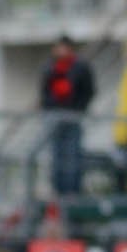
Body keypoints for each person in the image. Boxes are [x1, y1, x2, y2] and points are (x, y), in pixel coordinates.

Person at [38, 37, 96, 196]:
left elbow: (88, 91)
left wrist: (79, 109)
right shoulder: (50, 67)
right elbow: (44, 91)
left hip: (73, 117)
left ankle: (72, 191)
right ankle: (58, 191)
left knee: (72, 155)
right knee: (56, 156)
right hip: (54, 116)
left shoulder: (80, 67)